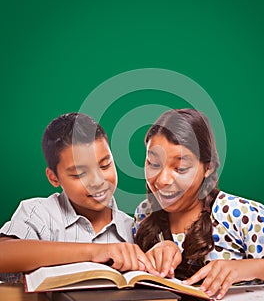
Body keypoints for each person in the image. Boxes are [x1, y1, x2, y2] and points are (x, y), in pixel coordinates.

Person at [133, 108, 264, 299]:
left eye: (180, 168)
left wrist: (253, 267)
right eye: (154, 164)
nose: (162, 180)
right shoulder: (144, 213)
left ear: (208, 167)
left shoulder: (237, 214)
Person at [0, 112, 156, 281]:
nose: (97, 181)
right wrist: (95, 251)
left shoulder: (132, 228)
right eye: (80, 174)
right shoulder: (39, 213)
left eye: (105, 165)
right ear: (53, 177)